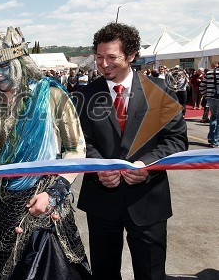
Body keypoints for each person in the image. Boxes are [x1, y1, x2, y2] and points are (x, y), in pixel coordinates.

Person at [0, 26, 90, 280]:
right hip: (1, 208)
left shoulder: (53, 96)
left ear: (21, 63)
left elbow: (76, 151)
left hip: (44, 203)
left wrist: (54, 193)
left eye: (4, 67)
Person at [75, 22, 188, 280]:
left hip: (148, 201)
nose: (103, 64)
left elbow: (176, 140)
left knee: (151, 273)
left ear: (131, 55)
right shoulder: (84, 95)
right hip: (102, 202)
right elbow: (80, 143)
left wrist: (146, 166)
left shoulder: (160, 92)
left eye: (112, 57)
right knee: (104, 273)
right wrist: (99, 168)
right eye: (99, 57)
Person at [199, 62, 219, 147]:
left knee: (213, 117)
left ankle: (211, 137)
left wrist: (206, 96)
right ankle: (215, 140)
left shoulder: (209, 73)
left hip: (210, 98)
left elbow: (201, 86)